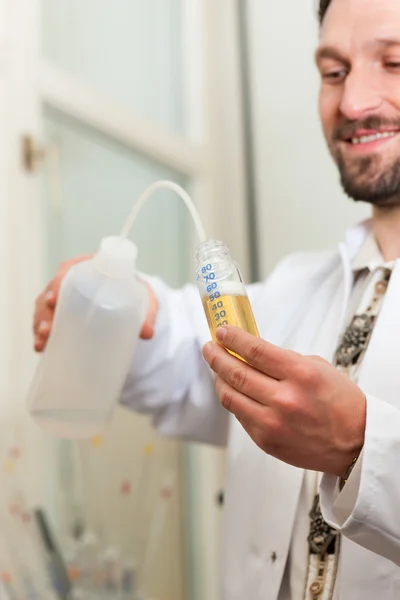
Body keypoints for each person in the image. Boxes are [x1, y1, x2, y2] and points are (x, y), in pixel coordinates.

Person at [33, 0, 400, 597]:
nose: (353, 102)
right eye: (333, 72)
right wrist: (133, 313)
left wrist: (363, 445)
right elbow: (193, 359)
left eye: (394, 62)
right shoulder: (296, 287)